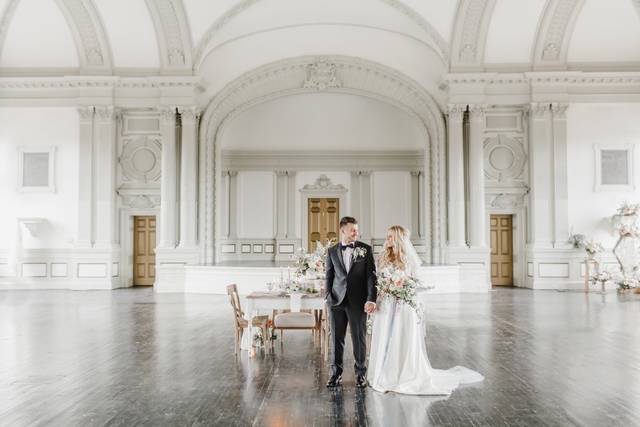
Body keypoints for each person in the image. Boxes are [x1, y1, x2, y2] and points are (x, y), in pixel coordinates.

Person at [367, 225, 484, 395]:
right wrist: (384, 290)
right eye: (387, 236)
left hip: (403, 304)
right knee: (386, 336)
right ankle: (383, 372)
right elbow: (378, 280)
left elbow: (414, 282)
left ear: (399, 239)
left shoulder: (409, 259)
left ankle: (402, 374)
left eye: (391, 236)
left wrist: (401, 287)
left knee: (400, 337)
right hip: (386, 303)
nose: (388, 239)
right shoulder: (383, 257)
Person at [325, 216, 377, 388]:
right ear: (343, 231)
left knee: (359, 338)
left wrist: (371, 299)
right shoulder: (332, 251)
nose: (356, 232)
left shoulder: (366, 250)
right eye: (353, 229)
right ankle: (335, 374)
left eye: (357, 229)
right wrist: (328, 297)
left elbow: (371, 277)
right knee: (336, 339)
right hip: (336, 302)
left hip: (358, 301)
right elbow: (329, 276)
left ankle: (361, 374)